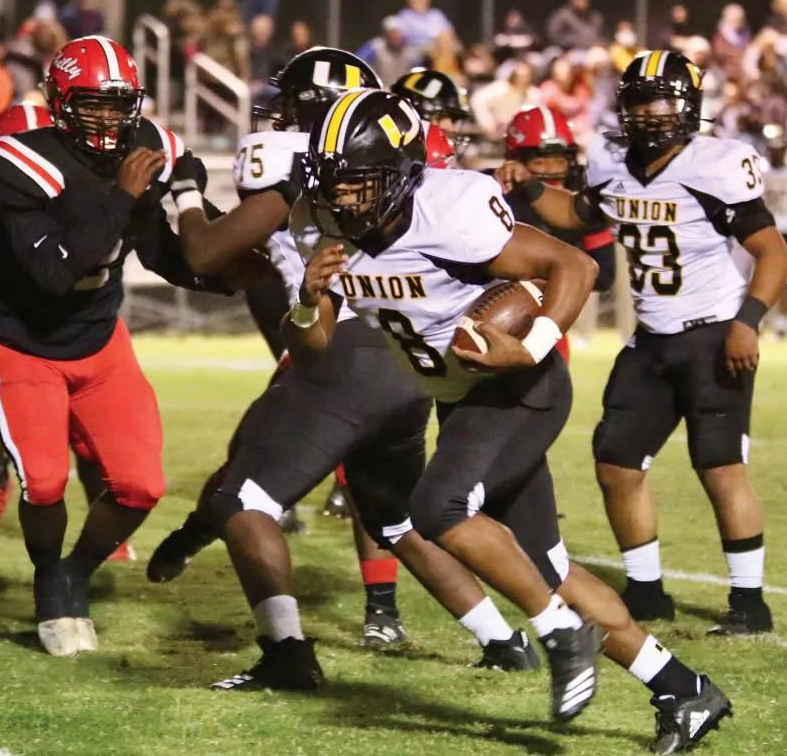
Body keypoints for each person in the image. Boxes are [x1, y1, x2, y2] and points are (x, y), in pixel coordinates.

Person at [292, 86, 732, 752]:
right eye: (333, 179)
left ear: (402, 172)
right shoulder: (319, 226)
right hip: (461, 398)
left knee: (437, 506)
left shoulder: (448, 210)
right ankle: (684, 689)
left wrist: (530, 345)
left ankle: (559, 632)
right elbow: (312, 352)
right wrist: (307, 299)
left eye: (359, 179)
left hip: (519, 385)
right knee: (547, 570)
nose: (343, 195)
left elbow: (573, 264)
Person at [154, 48, 541, 664]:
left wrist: (186, 194)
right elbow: (252, 261)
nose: (279, 115)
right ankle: (503, 641)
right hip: (406, 353)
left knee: (243, 497)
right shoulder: (387, 164)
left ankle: (285, 656)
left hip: (346, 349)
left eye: (289, 103)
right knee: (394, 516)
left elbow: (206, 254)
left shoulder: (303, 165)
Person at [0, 37, 241, 658]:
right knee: (44, 482)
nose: (107, 119)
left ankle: (74, 572)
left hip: (100, 341)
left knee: (141, 485)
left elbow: (158, 250)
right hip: (24, 343)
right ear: (59, 102)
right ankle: (48, 580)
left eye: (118, 105)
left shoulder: (141, 149)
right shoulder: (16, 164)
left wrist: (226, 276)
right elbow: (54, 271)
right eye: (92, 105)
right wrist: (122, 197)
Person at [497, 51, 787, 635]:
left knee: (721, 466)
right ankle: (647, 591)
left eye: (661, 102)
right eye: (639, 102)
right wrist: (528, 187)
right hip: (651, 338)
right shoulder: (613, 162)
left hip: (712, 332)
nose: (650, 114)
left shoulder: (715, 164)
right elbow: (576, 213)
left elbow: (772, 250)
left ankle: (749, 603)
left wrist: (747, 320)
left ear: (689, 106)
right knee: (616, 462)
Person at [0, 103, 126, 559]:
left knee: (87, 434)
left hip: (80, 323)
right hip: (6, 322)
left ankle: (106, 520)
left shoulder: (80, 188)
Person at [502, 105, 615, 362]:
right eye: (540, 161)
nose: (551, 169)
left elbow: (604, 274)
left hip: (546, 317)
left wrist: (549, 276)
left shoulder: (579, 203)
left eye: (559, 160)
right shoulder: (494, 194)